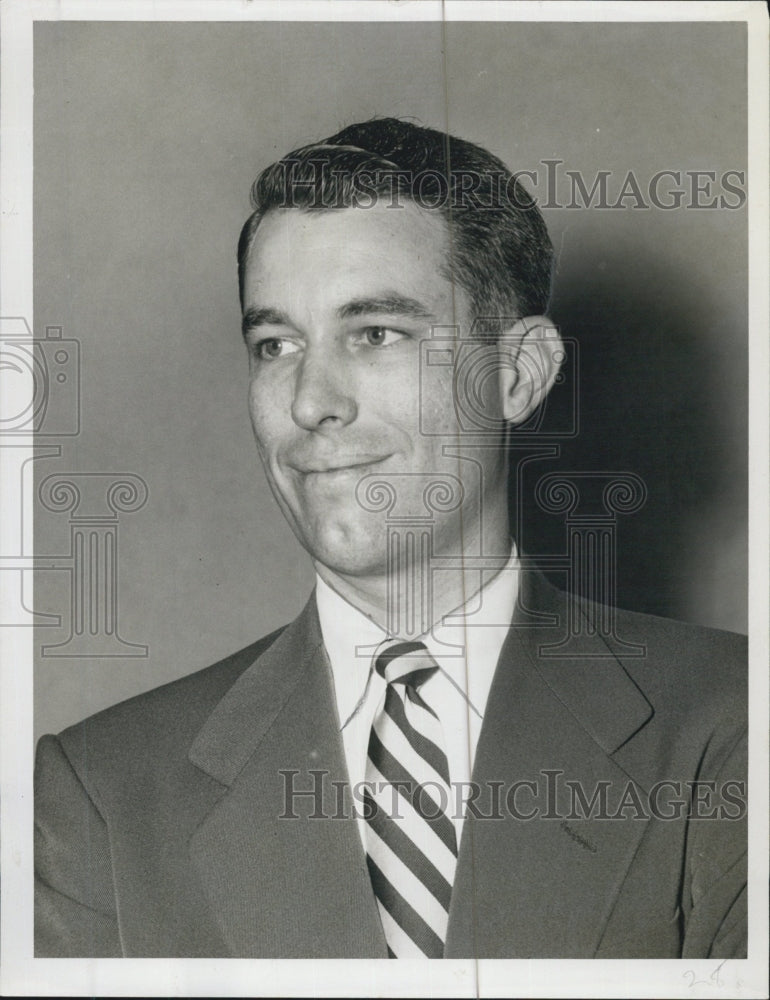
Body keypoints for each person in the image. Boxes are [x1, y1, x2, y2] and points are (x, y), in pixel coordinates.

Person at [35, 118, 747, 959]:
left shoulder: (732, 727)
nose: (309, 401)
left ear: (517, 375)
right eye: (275, 344)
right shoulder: (101, 793)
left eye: (375, 334)